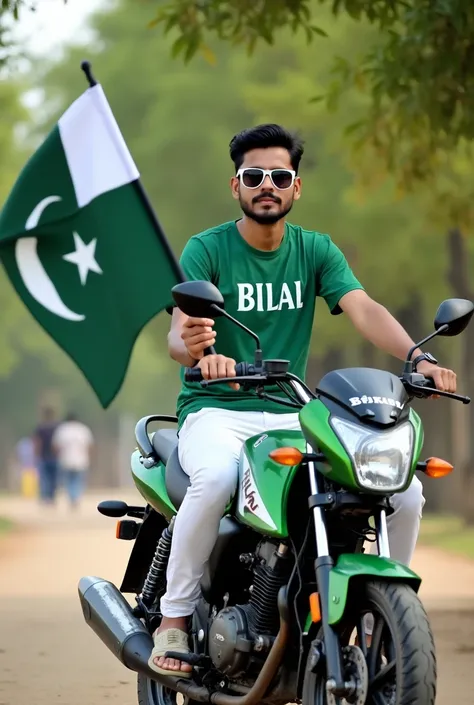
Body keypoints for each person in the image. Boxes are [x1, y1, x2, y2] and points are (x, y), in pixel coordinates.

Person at [149, 124, 457, 676]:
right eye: (254, 176)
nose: (267, 185)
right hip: (217, 410)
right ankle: (172, 621)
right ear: (236, 185)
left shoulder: (314, 249)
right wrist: (197, 351)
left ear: (296, 188)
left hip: (293, 412)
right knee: (217, 477)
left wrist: (419, 357)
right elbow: (180, 333)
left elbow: (362, 307)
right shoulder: (208, 248)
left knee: (402, 490)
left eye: (280, 176)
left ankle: (383, 612)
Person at [52, 412, 94, 509]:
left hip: (65, 460)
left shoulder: (62, 430)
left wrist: (57, 455)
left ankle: (72, 498)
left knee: (68, 481)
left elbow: (55, 446)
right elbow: (89, 445)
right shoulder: (83, 429)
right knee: (78, 481)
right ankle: (75, 498)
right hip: (81, 460)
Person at [33, 407, 59, 505]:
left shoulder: (40, 427)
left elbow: (37, 442)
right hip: (54, 457)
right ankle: (52, 498)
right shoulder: (57, 426)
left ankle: (45, 498)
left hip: (43, 456)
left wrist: (36, 454)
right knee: (53, 479)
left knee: (44, 479)